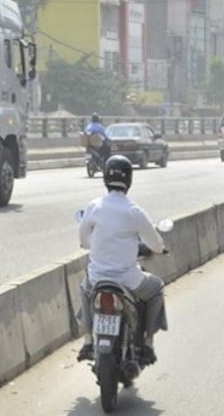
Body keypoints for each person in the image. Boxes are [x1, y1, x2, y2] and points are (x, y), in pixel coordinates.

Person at [77, 155, 167, 362]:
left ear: (105, 178)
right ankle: (147, 342)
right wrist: (161, 250)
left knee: (84, 287)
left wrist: (96, 245)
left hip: (97, 278)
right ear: (129, 180)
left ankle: (88, 340)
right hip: (128, 280)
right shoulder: (134, 211)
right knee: (156, 289)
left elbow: (83, 239)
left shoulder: (94, 206)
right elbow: (155, 243)